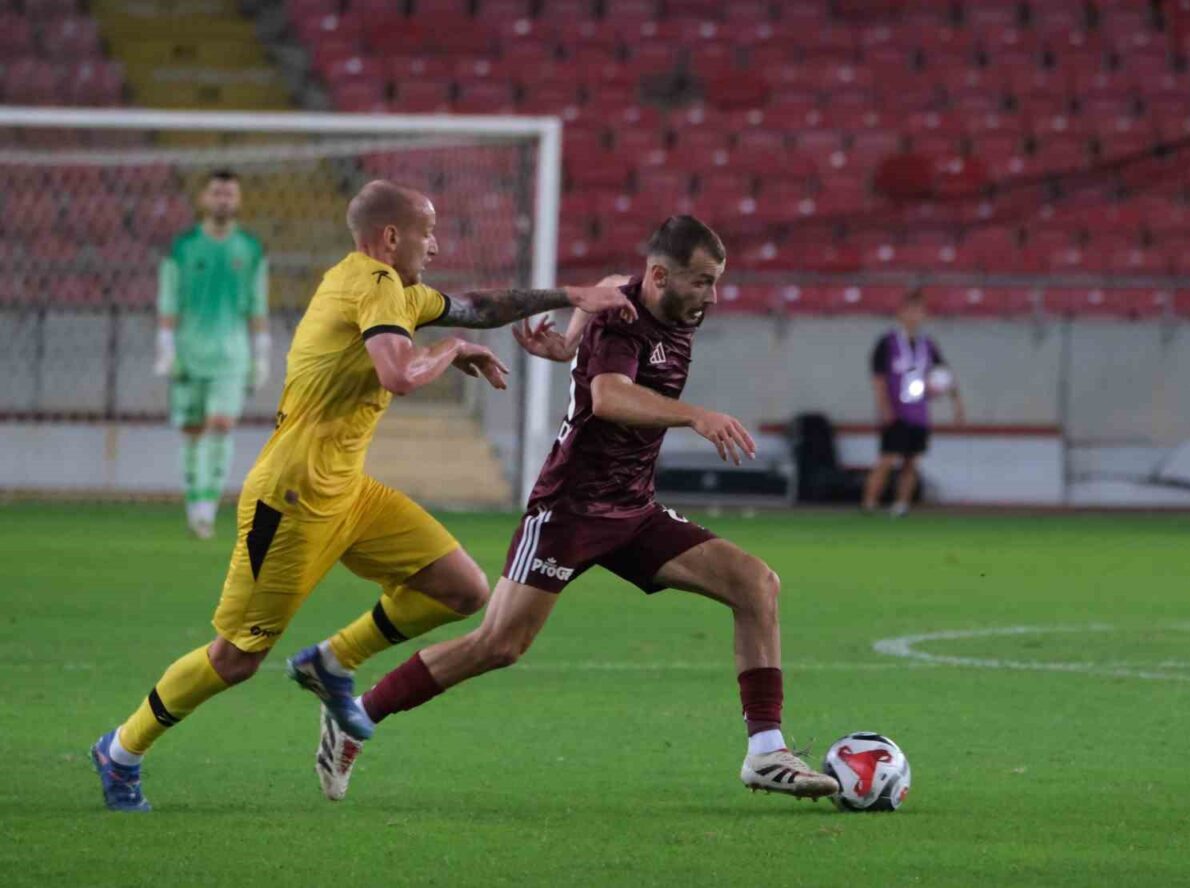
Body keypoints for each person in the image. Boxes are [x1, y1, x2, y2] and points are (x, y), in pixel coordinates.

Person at [90, 179, 635, 812]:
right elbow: (399, 375)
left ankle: (331, 662)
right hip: (291, 499)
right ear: (392, 237)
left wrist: (570, 295)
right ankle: (121, 749)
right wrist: (451, 349)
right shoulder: (371, 284)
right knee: (235, 658)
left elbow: (479, 305)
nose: (434, 245)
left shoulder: (391, 289)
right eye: (427, 233)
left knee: (462, 589)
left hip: (348, 491)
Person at [297, 215, 840, 803]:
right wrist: (694, 415)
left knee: (755, 583)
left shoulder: (656, 303)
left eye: (715, 281)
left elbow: (608, 287)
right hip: (569, 510)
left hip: (633, 509)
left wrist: (567, 344)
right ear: (659, 275)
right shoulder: (624, 320)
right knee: (498, 644)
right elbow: (607, 398)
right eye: (702, 281)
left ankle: (766, 752)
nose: (712, 295)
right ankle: (356, 716)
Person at [154, 169, 271, 539]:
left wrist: (262, 353)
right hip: (189, 354)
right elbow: (169, 298)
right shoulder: (183, 247)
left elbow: (258, 304)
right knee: (191, 431)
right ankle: (194, 503)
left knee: (220, 426)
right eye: (217, 193)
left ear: (238, 200)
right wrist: (166, 347)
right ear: (204, 199)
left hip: (232, 357)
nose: (223, 200)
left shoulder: (250, 249)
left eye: (229, 194)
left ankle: (207, 507)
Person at [861, 288, 964, 517]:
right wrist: (885, 408)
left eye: (919, 311)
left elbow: (944, 375)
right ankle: (869, 503)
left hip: (919, 413)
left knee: (912, 461)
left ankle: (901, 505)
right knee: (887, 458)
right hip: (895, 411)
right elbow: (878, 379)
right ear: (901, 313)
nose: (915, 315)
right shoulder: (887, 343)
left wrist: (956, 403)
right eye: (911, 310)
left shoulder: (928, 346)